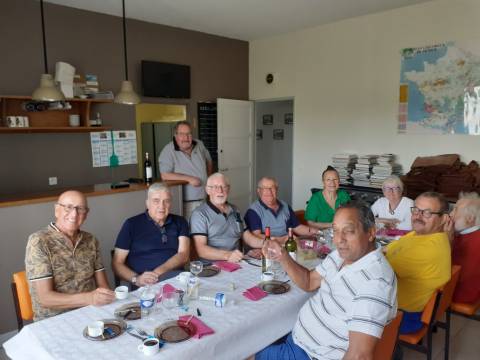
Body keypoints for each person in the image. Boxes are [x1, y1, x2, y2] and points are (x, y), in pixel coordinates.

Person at [255, 201, 397, 360]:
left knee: (243, 352)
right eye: (335, 231)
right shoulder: (341, 255)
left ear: (370, 232)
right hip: (299, 339)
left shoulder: (375, 282)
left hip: (311, 354)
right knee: (255, 337)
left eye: (348, 231)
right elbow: (309, 281)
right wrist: (283, 255)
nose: (339, 239)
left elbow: (359, 355)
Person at [25, 191, 115, 321]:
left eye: (80, 209)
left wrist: (105, 299)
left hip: (90, 312)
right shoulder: (39, 241)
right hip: (54, 319)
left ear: (86, 214)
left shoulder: (91, 240)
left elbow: (103, 286)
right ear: (57, 210)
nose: (74, 214)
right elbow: (45, 298)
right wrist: (89, 298)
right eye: (68, 207)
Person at [385, 191, 451, 334]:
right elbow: (387, 250)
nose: (418, 216)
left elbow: (379, 270)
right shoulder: (419, 234)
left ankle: (390, 350)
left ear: (443, 218)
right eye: (416, 210)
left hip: (403, 315)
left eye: (427, 213)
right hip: (397, 305)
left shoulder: (429, 248)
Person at [112, 183, 190, 288]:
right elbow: (117, 263)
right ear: (147, 203)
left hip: (175, 280)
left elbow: (183, 255)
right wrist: (136, 279)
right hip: (143, 283)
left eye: (166, 201)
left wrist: (156, 273)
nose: (161, 206)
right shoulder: (131, 224)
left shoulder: (180, 222)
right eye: (156, 201)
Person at [190, 173, 259, 262]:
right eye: (215, 187)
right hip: (212, 267)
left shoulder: (235, 210)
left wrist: (266, 243)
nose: (220, 191)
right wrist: (228, 255)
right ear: (208, 190)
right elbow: (201, 250)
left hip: (237, 262)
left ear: (228, 189)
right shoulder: (199, 214)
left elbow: (247, 237)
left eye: (224, 187)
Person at [158, 121, 213, 219]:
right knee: (189, 232)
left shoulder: (199, 144)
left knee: (204, 231)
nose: (186, 138)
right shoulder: (168, 150)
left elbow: (209, 161)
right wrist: (189, 179)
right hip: (185, 204)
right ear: (176, 136)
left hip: (204, 200)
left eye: (188, 134)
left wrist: (208, 179)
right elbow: (165, 175)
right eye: (182, 134)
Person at [244, 177, 317, 245]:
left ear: (277, 189)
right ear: (258, 191)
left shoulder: (285, 205)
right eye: (265, 188)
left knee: (315, 248)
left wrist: (317, 232)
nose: (269, 192)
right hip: (267, 247)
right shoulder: (253, 211)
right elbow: (256, 236)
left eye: (272, 188)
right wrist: (281, 240)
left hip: (288, 245)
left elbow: (297, 227)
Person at [448, 192, 480, 304]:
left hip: (462, 293)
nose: (450, 214)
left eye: (455, 210)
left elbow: (457, 276)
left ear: (470, 218)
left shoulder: (473, 242)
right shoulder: (468, 234)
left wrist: (447, 240)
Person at [305, 166, 351, 230]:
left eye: (335, 179)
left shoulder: (344, 195)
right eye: (328, 179)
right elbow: (310, 223)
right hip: (321, 235)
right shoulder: (316, 199)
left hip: (342, 231)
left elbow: (351, 215)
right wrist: (332, 225)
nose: (332, 183)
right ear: (323, 182)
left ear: (339, 181)